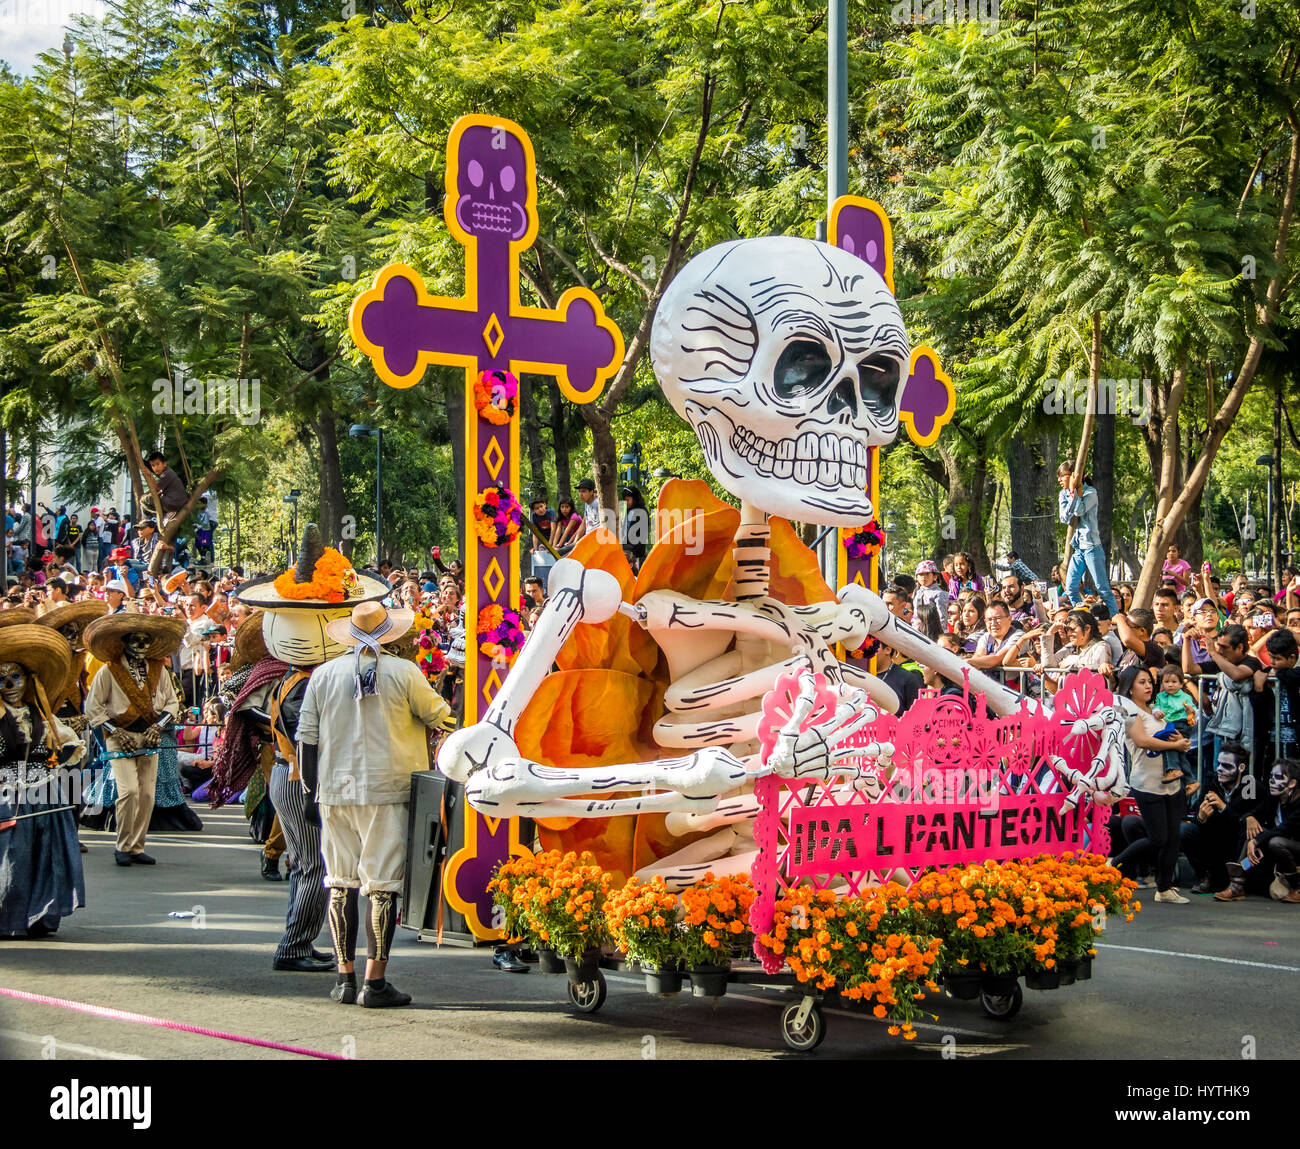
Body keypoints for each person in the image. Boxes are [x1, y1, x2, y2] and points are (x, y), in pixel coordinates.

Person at [298, 599, 454, 1007]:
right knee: (381, 886)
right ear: (388, 636)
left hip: (334, 791)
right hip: (386, 790)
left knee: (341, 883)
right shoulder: (405, 672)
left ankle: (345, 979)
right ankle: (375, 982)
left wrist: (311, 791)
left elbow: (306, 739)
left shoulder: (323, 675)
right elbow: (442, 717)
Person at [0, 625, 88, 936]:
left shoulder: (40, 714)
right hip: (8, 798)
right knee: (15, 859)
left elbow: (72, 744)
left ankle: (41, 916)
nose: (10, 684)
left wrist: (56, 763)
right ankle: (9, 920)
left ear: (27, 681)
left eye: (16, 677)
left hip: (46, 794)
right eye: (2, 679)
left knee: (48, 856)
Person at [82, 612, 184, 866]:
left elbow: (172, 703)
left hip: (150, 737)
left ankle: (137, 846)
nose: (141, 645)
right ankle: (122, 845)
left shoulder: (159, 670)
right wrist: (116, 732)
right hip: (119, 737)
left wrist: (158, 727)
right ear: (124, 642)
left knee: (148, 795)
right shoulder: (108, 671)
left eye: (146, 640)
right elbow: (93, 708)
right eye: (136, 640)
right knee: (128, 791)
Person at [1112, 665, 1193, 902]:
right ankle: (1115, 864)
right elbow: (1143, 741)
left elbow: (1170, 732)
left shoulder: (1157, 709)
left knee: (1173, 837)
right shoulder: (1128, 711)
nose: (1148, 686)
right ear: (1130, 687)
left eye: (1149, 681)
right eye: (1141, 682)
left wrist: (1180, 740)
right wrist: (1174, 746)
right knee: (1158, 838)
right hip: (1146, 782)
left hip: (1171, 781)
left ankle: (1165, 888)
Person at [1217, 760, 1300, 902]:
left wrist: (1256, 841)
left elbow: (1284, 829)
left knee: (1275, 842)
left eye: (1279, 777)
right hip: (1280, 853)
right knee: (1253, 832)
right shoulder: (1274, 797)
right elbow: (1255, 812)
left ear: (1292, 783)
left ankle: (1297, 885)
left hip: (1294, 848)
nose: (1272, 781)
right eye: (1271, 777)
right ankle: (1237, 883)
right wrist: (1250, 817)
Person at [1182, 742, 1254, 896]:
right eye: (1219, 764)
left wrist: (1223, 808)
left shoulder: (1250, 785)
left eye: (1227, 766)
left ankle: (1238, 882)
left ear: (1241, 768)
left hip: (1235, 846)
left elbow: (1244, 823)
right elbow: (1196, 813)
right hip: (1213, 842)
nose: (1220, 769)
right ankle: (1206, 876)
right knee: (1186, 830)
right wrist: (1200, 817)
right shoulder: (1213, 780)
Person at [1056, 461, 1120, 616]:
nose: (1059, 480)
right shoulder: (1063, 494)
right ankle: (1083, 614)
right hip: (1078, 547)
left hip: (1091, 546)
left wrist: (1074, 493)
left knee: (1103, 588)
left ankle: (1114, 617)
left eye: (1062, 476)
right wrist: (1071, 494)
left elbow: (1078, 511)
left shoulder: (1090, 492)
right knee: (1070, 587)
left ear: (1073, 476)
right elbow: (1064, 517)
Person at [620, 485, 650, 572]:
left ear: (635, 498)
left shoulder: (642, 512)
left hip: (636, 550)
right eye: (624, 500)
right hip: (628, 547)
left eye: (628, 500)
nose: (626, 503)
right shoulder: (629, 511)